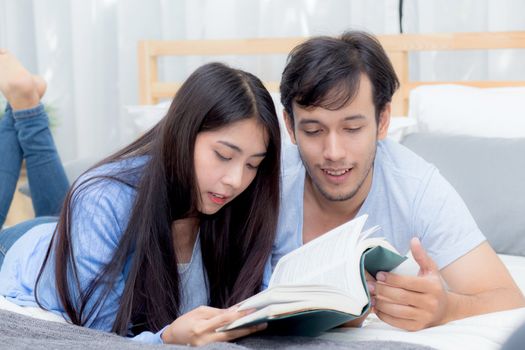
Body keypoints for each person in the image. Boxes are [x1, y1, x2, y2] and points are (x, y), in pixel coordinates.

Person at [0, 50, 282, 345]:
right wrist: (167, 338)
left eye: (253, 164)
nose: (236, 180)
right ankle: (25, 105)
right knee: (82, 203)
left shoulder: (246, 201)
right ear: (182, 134)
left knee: (66, 211)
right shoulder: (102, 200)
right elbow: (97, 338)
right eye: (223, 155)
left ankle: (24, 104)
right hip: (21, 251)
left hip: (73, 238)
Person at [267, 31, 525, 331]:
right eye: (313, 131)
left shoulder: (416, 187)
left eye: (352, 128)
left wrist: (446, 309)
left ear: (383, 120)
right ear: (290, 126)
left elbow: (508, 299)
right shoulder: (265, 180)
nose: (333, 153)